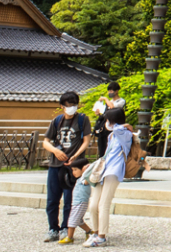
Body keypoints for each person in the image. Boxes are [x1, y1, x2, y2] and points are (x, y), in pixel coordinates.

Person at [42, 90, 91, 243]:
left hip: (73, 167)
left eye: (74, 105)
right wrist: (55, 151)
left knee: (70, 200)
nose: (72, 108)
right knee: (52, 199)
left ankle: (65, 228)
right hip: (56, 165)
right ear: (62, 106)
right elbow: (45, 141)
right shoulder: (57, 121)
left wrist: (77, 155)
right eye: (69, 105)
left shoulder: (83, 120)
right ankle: (53, 229)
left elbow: (86, 141)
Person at [84, 108, 131, 247]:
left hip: (114, 171)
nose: (106, 123)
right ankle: (95, 232)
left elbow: (119, 130)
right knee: (93, 205)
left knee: (103, 204)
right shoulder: (112, 136)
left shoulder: (125, 133)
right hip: (103, 171)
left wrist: (121, 125)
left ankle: (102, 237)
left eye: (108, 120)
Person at [60, 157, 98, 245]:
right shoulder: (79, 180)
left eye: (76, 170)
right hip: (76, 203)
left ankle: (70, 237)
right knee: (79, 221)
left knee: (72, 220)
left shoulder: (85, 179)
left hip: (81, 203)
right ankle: (89, 232)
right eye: (73, 170)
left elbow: (90, 173)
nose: (74, 172)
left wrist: (87, 169)